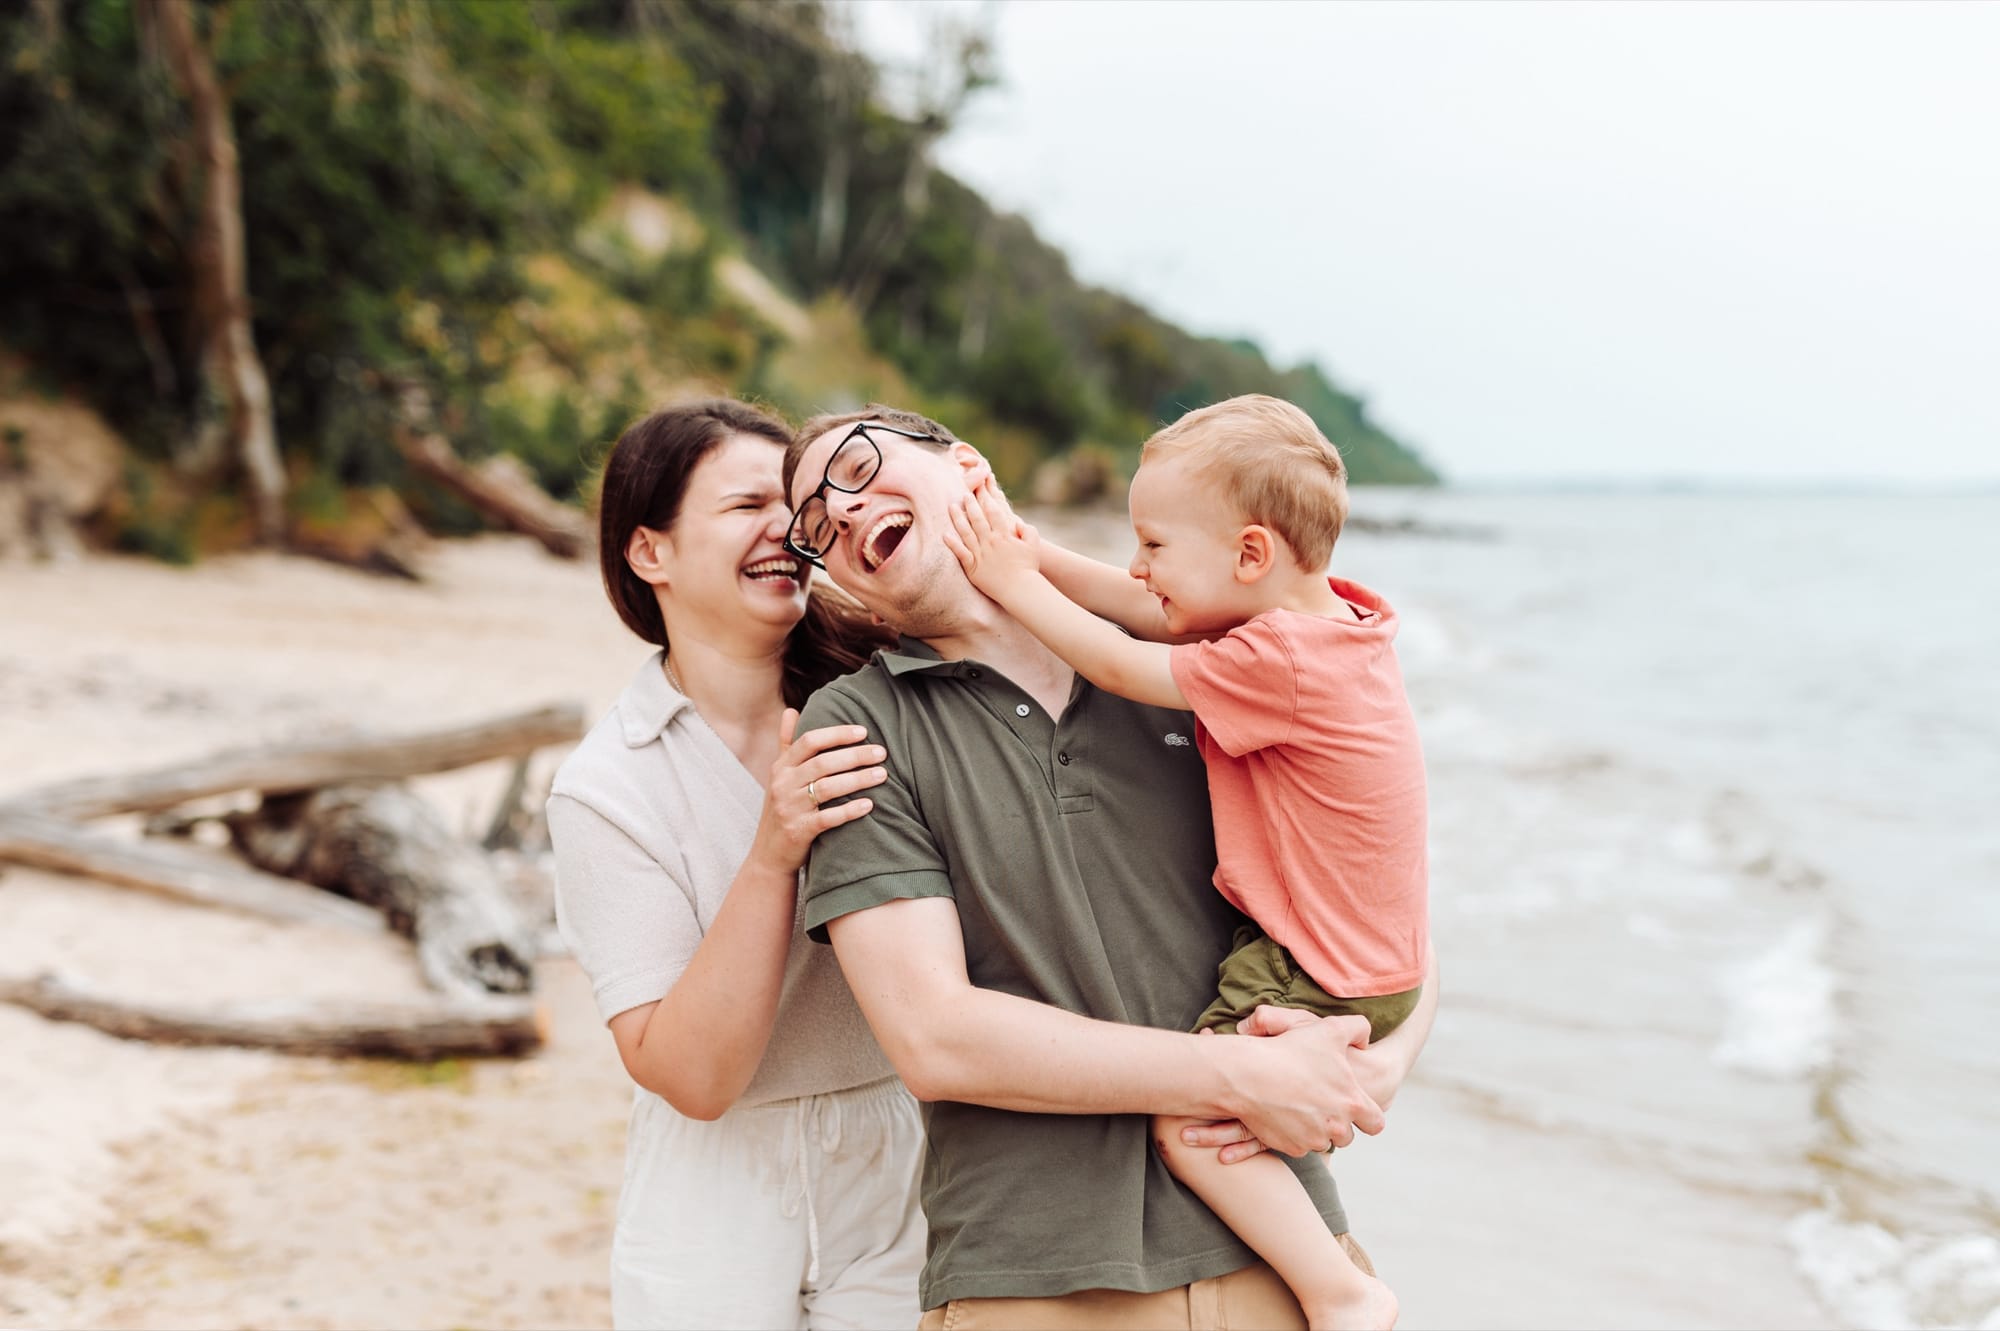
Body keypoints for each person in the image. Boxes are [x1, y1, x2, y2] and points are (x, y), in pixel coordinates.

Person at [779, 404, 1440, 1330]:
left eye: (856, 469)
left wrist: (1386, 1060)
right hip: (1034, 1278)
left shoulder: (1210, 647)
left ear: (968, 467)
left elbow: (1379, 883)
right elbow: (934, 1038)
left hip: (1281, 1261)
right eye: (813, 522)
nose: (841, 512)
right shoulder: (857, 726)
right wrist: (1239, 1076)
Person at [547, 399, 923, 1330]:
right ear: (650, 552)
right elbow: (693, 1078)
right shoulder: (607, 784)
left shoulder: (897, 695)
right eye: (747, 504)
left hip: (902, 1149)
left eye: (793, 505)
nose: (785, 528)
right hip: (712, 1186)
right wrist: (772, 851)